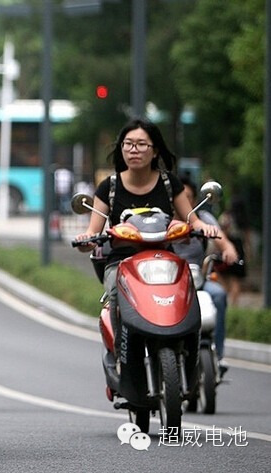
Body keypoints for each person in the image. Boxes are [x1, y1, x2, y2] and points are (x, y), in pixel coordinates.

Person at [74, 118, 219, 355]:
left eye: (141, 144)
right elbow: (93, 232)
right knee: (115, 294)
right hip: (121, 263)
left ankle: (192, 353)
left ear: (155, 151)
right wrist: (86, 239)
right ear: (121, 149)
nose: (134, 149)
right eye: (128, 144)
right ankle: (120, 354)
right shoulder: (108, 187)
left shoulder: (169, 183)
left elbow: (193, 219)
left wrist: (205, 227)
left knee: (190, 293)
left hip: (166, 262)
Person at [172, 177, 237, 365]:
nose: (184, 201)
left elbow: (220, 238)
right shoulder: (163, 220)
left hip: (198, 278)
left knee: (218, 295)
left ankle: (217, 355)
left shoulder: (203, 219)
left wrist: (228, 250)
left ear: (194, 200)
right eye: (179, 198)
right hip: (170, 282)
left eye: (188, 197)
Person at [216, 194, 251, 306]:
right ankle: (234, 304)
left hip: (227, 247)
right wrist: (248, 252)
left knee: (225, 277)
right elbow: (247, 238)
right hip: (239, 248)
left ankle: (225, 302)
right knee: (236, 280)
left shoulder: (226, 217)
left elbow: (221, 233)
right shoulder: (243, 219)